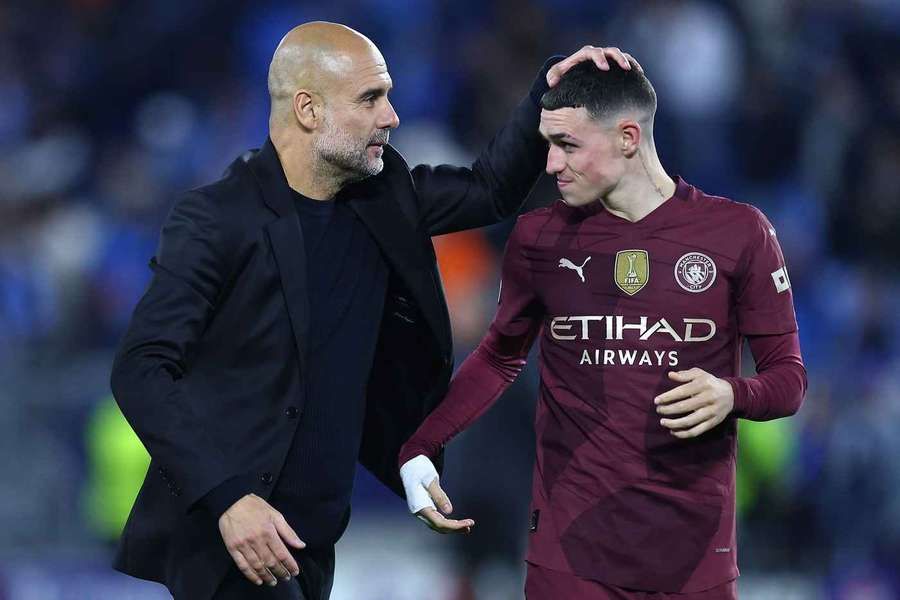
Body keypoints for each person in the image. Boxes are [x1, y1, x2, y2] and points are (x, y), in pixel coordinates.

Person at [109, 20, 636, 600]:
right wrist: (228, 497)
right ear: (308, 110)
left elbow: (490, 189)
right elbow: (141, 368)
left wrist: (550, 90)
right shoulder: (216, 219)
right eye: (371, 98)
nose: (391, 116)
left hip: (311, 538)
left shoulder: (384, 199)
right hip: (231, 536)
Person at [399, 58, 807, 599]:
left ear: (628, 138)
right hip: (569, 562)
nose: (549, 164)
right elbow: (500, 356)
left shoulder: (738, 234)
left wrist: (732, 393)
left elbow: (789, 381)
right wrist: (420, 445)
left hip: (692, 562)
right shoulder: (538, 239)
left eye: (568, 145)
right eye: (547, 144)